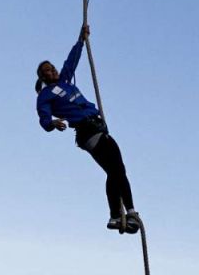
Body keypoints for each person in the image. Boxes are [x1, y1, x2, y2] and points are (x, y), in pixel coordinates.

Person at [35, 24, 141, 233]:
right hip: (88, 131)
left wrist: (81, 40)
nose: (52, 70)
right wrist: (51, 124)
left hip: (97, 128)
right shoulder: (45, 95)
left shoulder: (65, 81)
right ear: (42, 77)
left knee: (115, 171)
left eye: (52, 67)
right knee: (117, 169)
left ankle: (116, 216)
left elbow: (71, 61)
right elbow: (43, 116)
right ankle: (129, 212)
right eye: (47, 70)